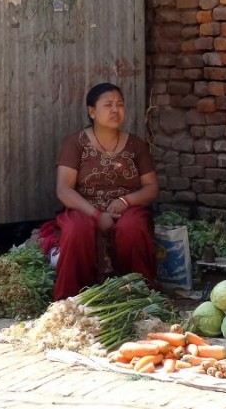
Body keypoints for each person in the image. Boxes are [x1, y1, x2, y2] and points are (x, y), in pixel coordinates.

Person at [45, 82, 159, 300]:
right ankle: (71, 300)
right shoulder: (75, 144)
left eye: (120, 105)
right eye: (108, 105)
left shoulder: (136, 145)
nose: (115, 110)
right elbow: (64, 190)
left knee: (132, 228)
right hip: (83, 208)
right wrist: (96, 215)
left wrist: (125, 201)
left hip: (126, 208)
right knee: (77, 230)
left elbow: (151, 187)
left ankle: (138, 295)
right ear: (92, 111)